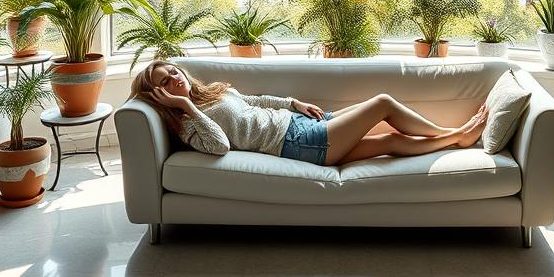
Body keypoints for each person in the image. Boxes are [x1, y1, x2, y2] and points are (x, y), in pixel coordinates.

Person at [129, 61, 489, 167]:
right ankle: (457, 133)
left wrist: (292, 103)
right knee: (382, 103)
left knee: (391, 140)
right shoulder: (188, 124)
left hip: (302, 125)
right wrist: (186, 107)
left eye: (174, 71)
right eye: (166, 81)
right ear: (158, 95)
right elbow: (220, 146)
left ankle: (456, 138)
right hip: (299, 144)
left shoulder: (212, 92)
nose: (175, 79)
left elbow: (254, 102)